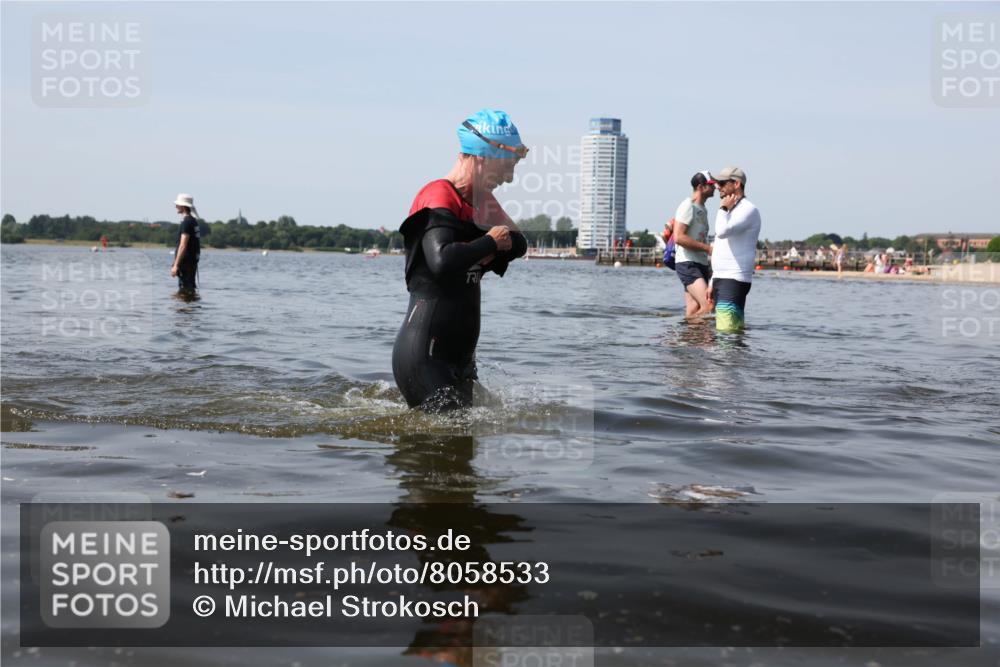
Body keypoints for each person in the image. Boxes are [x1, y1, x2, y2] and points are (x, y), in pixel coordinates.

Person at [392, 109, 528, 411]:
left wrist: (486, 246)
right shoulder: (438, 194)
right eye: (506, 167)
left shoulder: (480, 202)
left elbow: (519, 243)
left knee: (465, 447)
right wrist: (490, 242)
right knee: (441, 448)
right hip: (424, 357)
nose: (509, 178)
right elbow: (442, 260)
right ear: (481, 159)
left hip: (462, 360)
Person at [706, 166, 761, 332]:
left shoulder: (748, 209)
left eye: (722, 183)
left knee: (726, 335)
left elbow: (721, 232)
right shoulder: (732, 211)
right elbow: (722, 246)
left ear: (737, 184)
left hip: (734, 279)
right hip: (722, 278)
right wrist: (712, 280)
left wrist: (722, 208)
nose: (718, 187)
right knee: (732, 334)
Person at [672, 171, 716, 318]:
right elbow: (679, 237)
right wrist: (708, 249)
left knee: (692, 310)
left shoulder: (703, 209)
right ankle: (688, 336)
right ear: (700, 187)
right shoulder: (687, 206)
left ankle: (688, 339)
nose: (715, 187)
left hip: (700, 263)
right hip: (688, 263)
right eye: (711, 185)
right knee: (709, 305)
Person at [170, 193, 201, 294]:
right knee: (190, 288)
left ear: (183, 207)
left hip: (185, 263)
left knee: (184, 290)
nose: (175, 207)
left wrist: (176, 265)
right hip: (192, 261)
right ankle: (192, 308)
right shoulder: (193, 221)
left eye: (177, 205)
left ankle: (185, 308)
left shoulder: (186, 223)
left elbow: (183, 245)